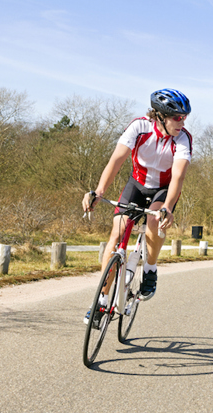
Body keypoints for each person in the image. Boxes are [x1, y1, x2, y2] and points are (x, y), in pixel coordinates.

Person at [81, 88, 193, 322]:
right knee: (117, 233)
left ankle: (150, 268)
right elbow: (117, 160)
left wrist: (168, 207)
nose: (181, 122)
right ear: (161, 116)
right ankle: (101, 300)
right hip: (137, 184)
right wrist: (99, 191)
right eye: (177, 117)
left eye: (184, 117)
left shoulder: (183, 138)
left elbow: (178, 177)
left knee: (154, 220)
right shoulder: (139, 127)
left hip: (163, 189)